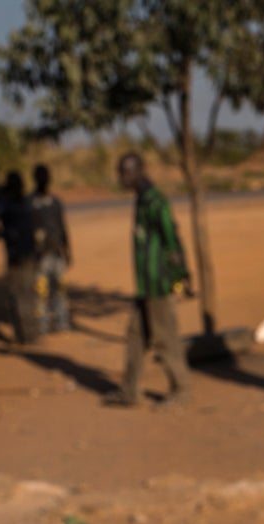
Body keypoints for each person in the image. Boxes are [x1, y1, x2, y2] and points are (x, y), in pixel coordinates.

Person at [104, 152, 192, 408]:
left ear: (139, 170)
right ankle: (130, 391)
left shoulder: (156, 202)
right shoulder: (141, 200)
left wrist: (181, 273)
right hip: (144, 285)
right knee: (135, 336)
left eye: (126, 172)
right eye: (121, 172)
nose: (122, 178)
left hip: (159, 283)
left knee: (165, 339)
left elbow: (171, 237)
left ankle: (182, 389)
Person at [0, 171, 39, 345]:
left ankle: (23, 334)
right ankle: (28, 335)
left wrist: (0, 234)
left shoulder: (8, 203)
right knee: (25, 294)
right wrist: (1, 234)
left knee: (19, 294)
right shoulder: (24, 202)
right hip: (26, 253)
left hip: (18, 253)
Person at [29, 163, 72, 333]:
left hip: (57, 254)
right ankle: (42, 325)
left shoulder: (55, 202)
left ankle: (62, 322)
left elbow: (63, 227)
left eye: (45, 176)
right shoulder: (30, 203)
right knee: (40, 292)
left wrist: (68, 251)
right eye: (40, 176)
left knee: (60, 290)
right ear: (35, 179)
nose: (43, 179)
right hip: (39, 257)